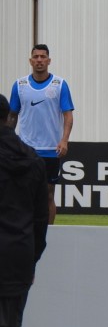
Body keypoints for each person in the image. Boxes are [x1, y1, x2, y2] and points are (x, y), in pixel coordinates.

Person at [7, 44, 75, 224]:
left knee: (48, 194)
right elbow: (12, 116)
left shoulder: (59, 84)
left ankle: (48, 232)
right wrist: (7, 141)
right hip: (26, 150)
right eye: (35, 57)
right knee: (24, 193)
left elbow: (68, 115)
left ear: (49, 60)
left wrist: (64, 140)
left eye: (42, 57)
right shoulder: (20, 85)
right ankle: (26, 232)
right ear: (30, 60)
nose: (39, 60)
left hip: (51, 149)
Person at [0, 93, 48, 327]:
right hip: (19, 254)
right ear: (9, 117)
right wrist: (32, 259)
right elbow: (41, 221)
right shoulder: (33, 160)